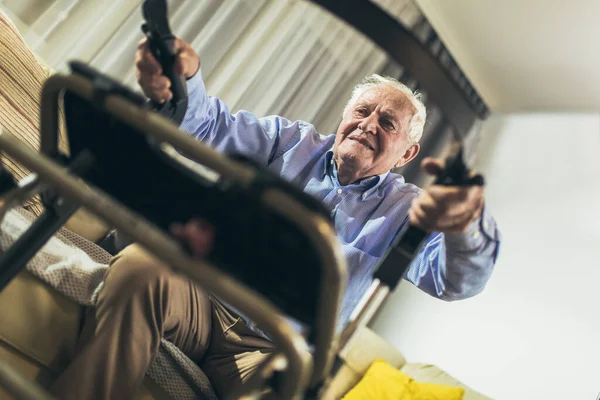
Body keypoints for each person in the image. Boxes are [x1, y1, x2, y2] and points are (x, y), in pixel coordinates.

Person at [50, 38, 501, 400]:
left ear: (407, 153)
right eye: (363, 112)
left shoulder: (408, 208)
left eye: (388, 123)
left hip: (273, 349)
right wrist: (183, 80)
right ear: (344, 117)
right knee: (139, 266)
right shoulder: (290, 140)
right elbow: (210, 127)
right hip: (202, 299)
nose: (368, 125)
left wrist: (464, 227)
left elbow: (454, 281)